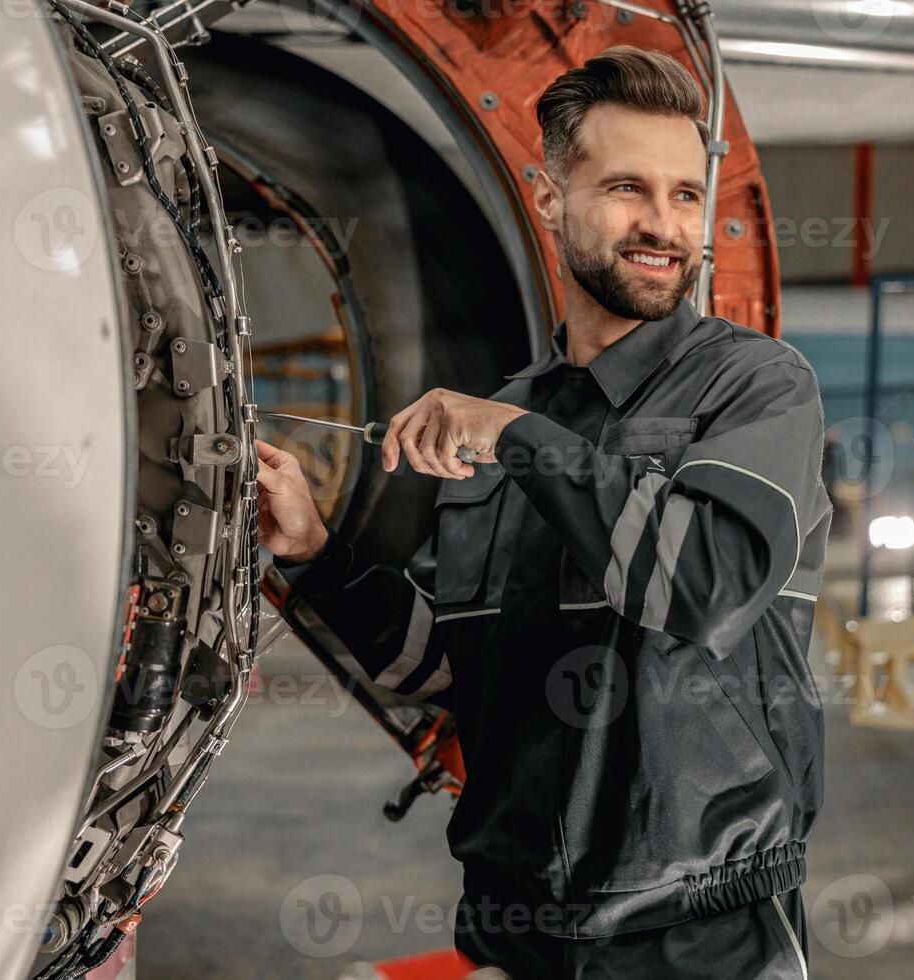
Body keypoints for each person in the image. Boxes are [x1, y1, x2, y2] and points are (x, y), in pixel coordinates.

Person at [256, 45, 831, 979]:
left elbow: (705, 586)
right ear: (551, 197)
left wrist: (520, 437)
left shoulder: (755, 386)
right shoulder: (514, 417)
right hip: (518, 927)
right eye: (627, 189)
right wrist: (315, 551)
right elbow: (448, 666)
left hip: (695, 935)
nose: (663, 225)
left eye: (686, 195)